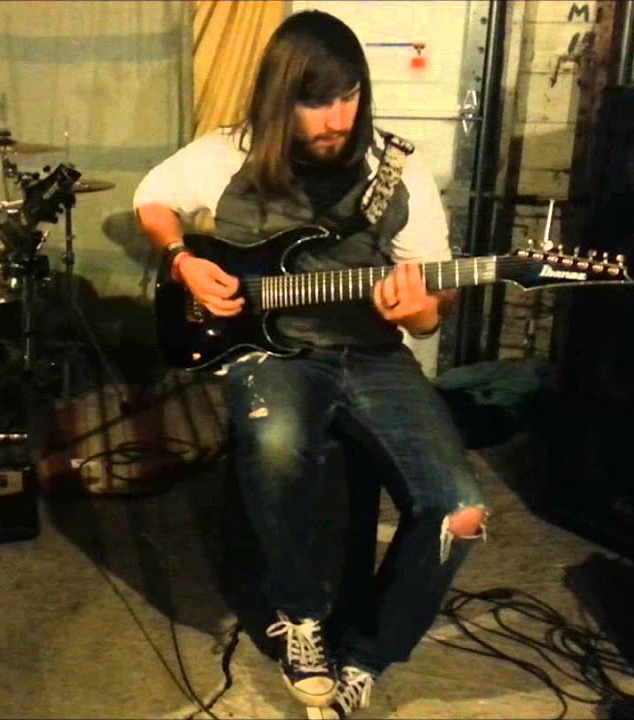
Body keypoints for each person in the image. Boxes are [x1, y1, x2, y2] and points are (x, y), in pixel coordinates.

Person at [134, 10, 487, 717]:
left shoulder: (398, 169)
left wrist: (418, 310)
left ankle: (369, 654)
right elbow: (152, 199)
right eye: (316, 102)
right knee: (275, 444)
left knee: (461, 509)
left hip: (372, 353)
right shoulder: (228, 154)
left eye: (348, 97)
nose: (337, 119)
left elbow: (429, 310)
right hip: (268, 351)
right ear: (280, 98)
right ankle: (300, 614)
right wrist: (182, 263)